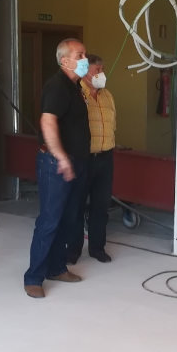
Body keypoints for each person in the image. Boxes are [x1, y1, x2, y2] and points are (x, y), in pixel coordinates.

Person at [24, 38, 90, 299]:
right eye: (80, 54)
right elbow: (48, 122)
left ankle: (57, 267)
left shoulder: (75, 86)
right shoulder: (57, 86)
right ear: (65, 60)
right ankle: (34, 277)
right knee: (50, 220)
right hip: (56, 163)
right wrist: (61, 157)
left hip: (74, 162)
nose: (85, 58)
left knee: (67, 218)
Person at [66, 54, 115, 264]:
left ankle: (97, 247)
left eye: (102, 70)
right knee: (76, 204)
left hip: (105, 157)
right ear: (86, 74)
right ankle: (73, 249)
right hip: (84, 157)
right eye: (97, 70)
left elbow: (112, 123)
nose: (101, 74)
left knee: (101, 205)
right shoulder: (77, 94)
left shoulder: (107, 96)